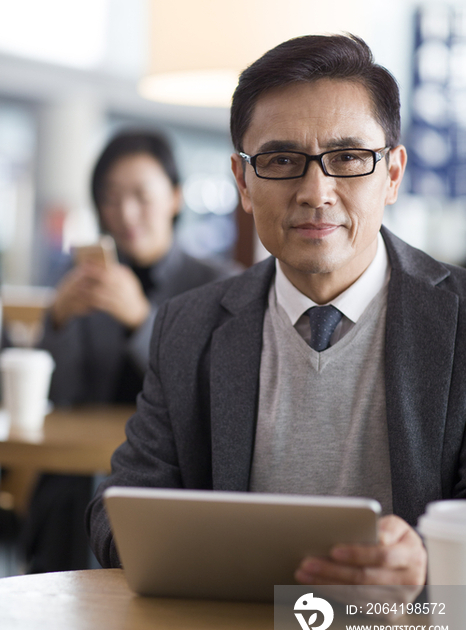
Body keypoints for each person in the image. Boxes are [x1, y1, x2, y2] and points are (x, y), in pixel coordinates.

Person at [87, 35, 466, 588]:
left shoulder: (459, 321)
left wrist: (433, 566)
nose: (316, 191)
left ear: (392, 174)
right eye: (282, 160)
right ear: (242, 181)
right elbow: (114, 512)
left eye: (349, 158)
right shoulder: (189, 327)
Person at [22, 130, 236, 573]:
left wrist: (142, 320)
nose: (125, 213)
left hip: (168, 475)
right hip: (77, 475)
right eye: (111, 198)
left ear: (175, 198)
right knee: (65, 496)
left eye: (141, 195)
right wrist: (58, 319)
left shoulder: (217, 283)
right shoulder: (84, 277)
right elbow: (61, 395)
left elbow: (211, 390)